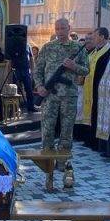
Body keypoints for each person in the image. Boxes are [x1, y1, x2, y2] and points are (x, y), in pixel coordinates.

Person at [34, 18, 89, 172]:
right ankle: (47, 162)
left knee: (66, 130)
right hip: (50, 95)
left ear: (69, 28)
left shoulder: (78, 47)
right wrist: (40, 87)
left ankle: (62, 162)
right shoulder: (47, 47)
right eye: (57, 28)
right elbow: (38, 70)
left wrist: (74, 66)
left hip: (69, 96)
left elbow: (86, 70)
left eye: (63, 28)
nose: (59, 31)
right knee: (47, 128)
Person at [80, 28, 110, 149]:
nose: (92, 38)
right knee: (90, 113)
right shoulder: (94, 51)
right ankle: (90, 140)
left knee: (98, 114)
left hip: (101, 91)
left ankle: (97, 143)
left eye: (95, 36)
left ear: (102, 37)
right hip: (90, 88)